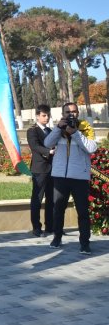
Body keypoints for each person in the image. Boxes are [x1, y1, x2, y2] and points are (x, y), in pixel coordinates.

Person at [44, 102, 97, 254]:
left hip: (79, 177)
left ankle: (85, 243)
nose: (71, 114)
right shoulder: (58, 128)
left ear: (78, 113)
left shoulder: (85, 127)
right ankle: (57, 238)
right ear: (63, 114)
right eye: (67, 112)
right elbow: (48, 143)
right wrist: (58, 128)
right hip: (60, 176)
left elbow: (92, 148)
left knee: (83, 212)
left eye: (73, 111)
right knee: (58, 210)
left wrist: (75, 133)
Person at [27, 104, 55, 237]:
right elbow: (35, 146)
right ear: (37, 116)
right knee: (37, 199)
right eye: (44, 115)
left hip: (52, 169)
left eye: (48, 115)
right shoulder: (32, 130)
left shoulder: (50, 130)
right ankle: (36, 227)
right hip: (39, 169)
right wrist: (49, 151)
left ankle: (50, 226)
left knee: (51, 199)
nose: (47, 117)